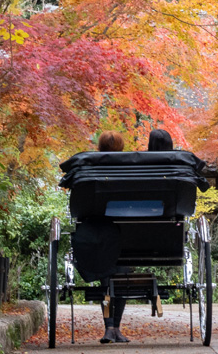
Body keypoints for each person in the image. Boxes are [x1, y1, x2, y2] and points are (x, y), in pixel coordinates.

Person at [96, 132, 129, 344]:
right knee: (122, 279)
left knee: (106, 281)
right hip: (131, 232)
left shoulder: (92, 168)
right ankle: (115, 326)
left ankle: (110, 327)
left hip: (99, 230)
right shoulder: (132, 168)